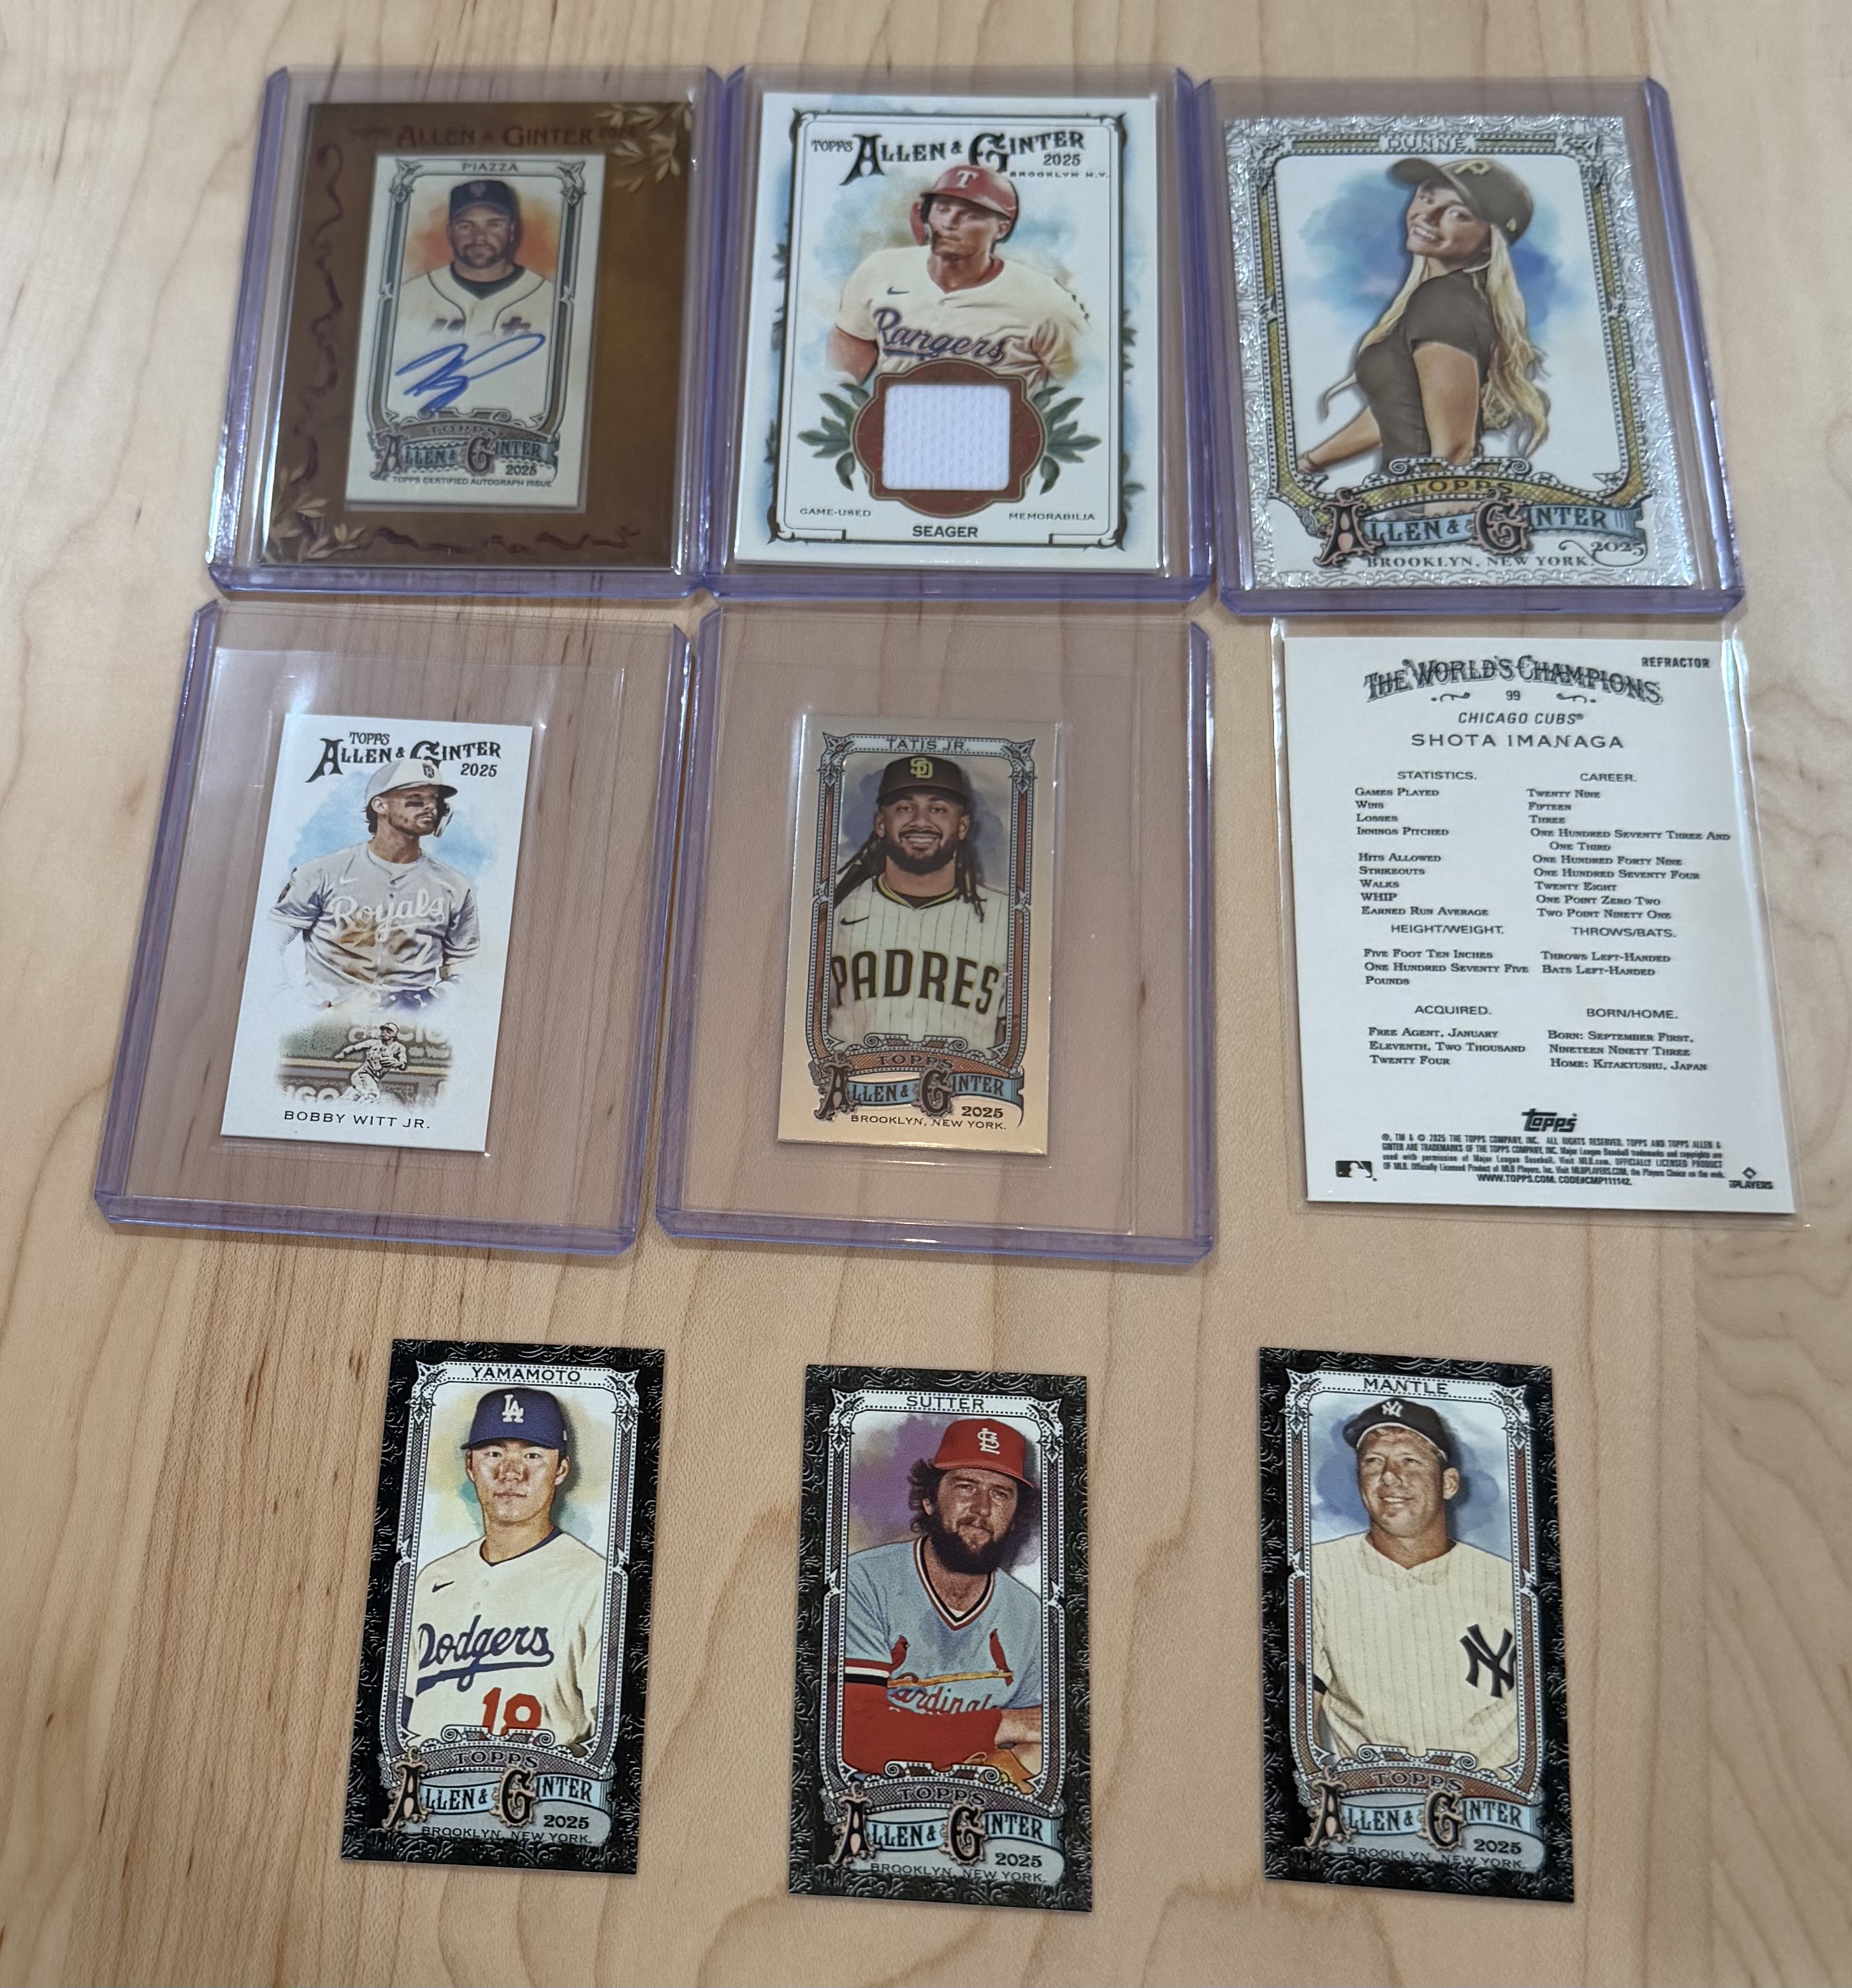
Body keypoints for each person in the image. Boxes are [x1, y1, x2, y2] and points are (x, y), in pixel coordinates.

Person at [1297, 156, 1548, 476]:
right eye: (1426, 198)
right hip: (1411, 495)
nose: (1427, 216)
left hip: (1425, 500)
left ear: (1489, 244)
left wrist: (1430, 507)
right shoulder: (1446, 299)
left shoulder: (1444, 301)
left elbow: (1454, 452)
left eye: (1458, 214)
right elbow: (1398, 408)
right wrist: (1310, 463)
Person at [1311, 1398, 1519, 1768]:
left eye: (1410, 1460)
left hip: (1496, 1797)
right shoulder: (1318, 1574)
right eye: (1373, 1462)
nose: (1390, 1476)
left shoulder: (1511, 1586)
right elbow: (1292, 1721)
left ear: (1448, 1483)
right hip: (1373, 1797)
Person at [840, 1418, 1044, 1784]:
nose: (982, 1508)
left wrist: (921, 1740)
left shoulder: (1031, 1616)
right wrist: (1002, 1724)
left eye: (1000, 1494)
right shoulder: (864, 1582)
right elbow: (856, 1739)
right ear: (930, 1501)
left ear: (1015, 1516)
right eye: (966, 1487)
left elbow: (1040, 1744)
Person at [403, 1388, 606, 1754]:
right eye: (494, 1453)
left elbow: (613, 1735)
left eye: (533, 1455)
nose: (511, 1473)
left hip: (540, 1785)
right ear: (470, 1466)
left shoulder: (595, 1582)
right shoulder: (432, 1580)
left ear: (560, 1469)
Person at [827, 164, 1089, 388]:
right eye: (942, 209)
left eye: (971, 215)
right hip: (899, 422)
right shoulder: (881, 270)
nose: (950, 223)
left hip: (999, 427)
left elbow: (1086, 384)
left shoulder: (1045, 301)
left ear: (1001, 229)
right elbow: (852, 340)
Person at [269, 757, 479, 1012]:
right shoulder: (321, 872)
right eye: (415, 799)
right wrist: (291, 1003)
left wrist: (439, 1004)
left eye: (434, 799)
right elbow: (268, 941)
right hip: (329, 1021)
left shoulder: (454, 886)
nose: (430, 807)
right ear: (380, 805)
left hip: (410, 1026)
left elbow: (464, 964)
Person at [829, 754, 1010, 1050]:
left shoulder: (1009, 921)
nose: (921, 821)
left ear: (962, 826)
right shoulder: (834, 912)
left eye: (938, 809)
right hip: (857, 1079)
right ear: (880, 823)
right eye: (904, 808)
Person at [389, 178, 557, 418]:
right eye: (466, 226)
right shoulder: (408, 299)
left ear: (511, 230)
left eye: (494, 224)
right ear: (450, 231)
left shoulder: (551, 301)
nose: (479, 236)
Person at [333, 1020, 409, 1100]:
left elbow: (403, 1065)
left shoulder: (399, 1048)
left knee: (353, 1097)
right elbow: (354, 1048)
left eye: (389, 1032)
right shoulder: (373, 1043)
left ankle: (337, 1104)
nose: (385, 1033)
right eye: (384, 1031)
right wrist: (343, 1053)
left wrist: (397, 1063)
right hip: (362, 1075)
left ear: (394, 1035)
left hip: (373, 1079)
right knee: (373, 1095)